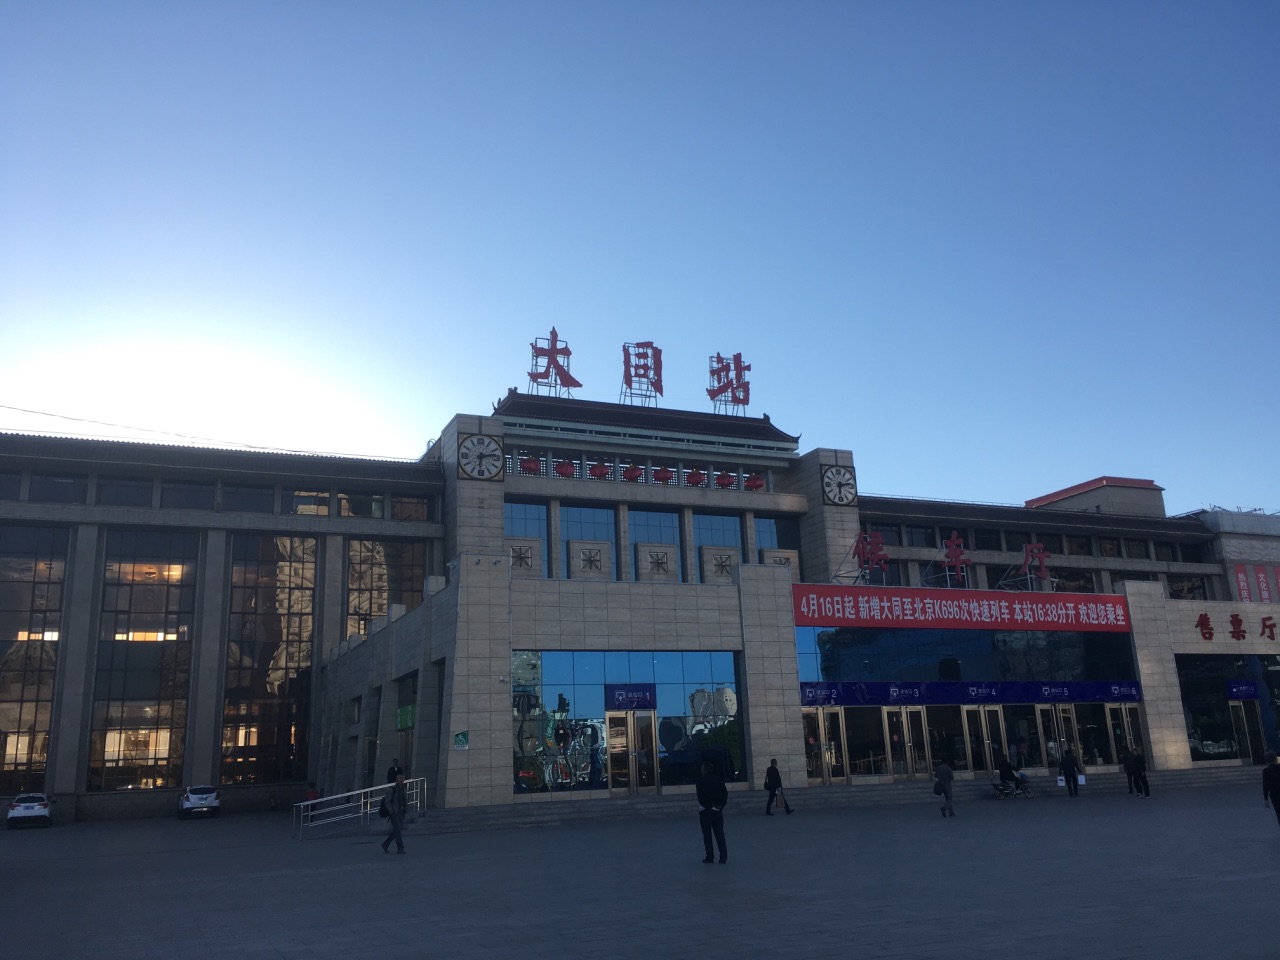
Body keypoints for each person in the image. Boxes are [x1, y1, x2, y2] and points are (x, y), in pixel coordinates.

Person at [696, 759, 728, 864]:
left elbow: (701, 797)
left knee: (707, 835)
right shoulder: (719, 779)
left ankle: (710, 857)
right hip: (718, 811)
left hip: (706, 811)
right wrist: (720, 806)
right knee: (720, 834)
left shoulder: (700, 781)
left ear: (704, 769)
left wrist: (709, 806)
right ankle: (723, 857)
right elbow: (725, 794)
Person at [381, 773, 407, 854]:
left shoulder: (404, 789)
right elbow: (387, 802)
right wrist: (391, 812)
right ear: (397, 779)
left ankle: (385, 844)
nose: (401, 780)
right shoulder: (392, 789)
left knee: (397, 830)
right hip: (394, 812)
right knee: (398, 829)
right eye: (400, 779)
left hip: (402, 812)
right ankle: (400, 848)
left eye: (403, 779)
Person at [1262, 751, 1280, 829]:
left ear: (1267, 761)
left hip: (1275, 796)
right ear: (1276, 759)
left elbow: (1265, 785)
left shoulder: (1266, 771)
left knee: (1278, 812)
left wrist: (1265, 798)